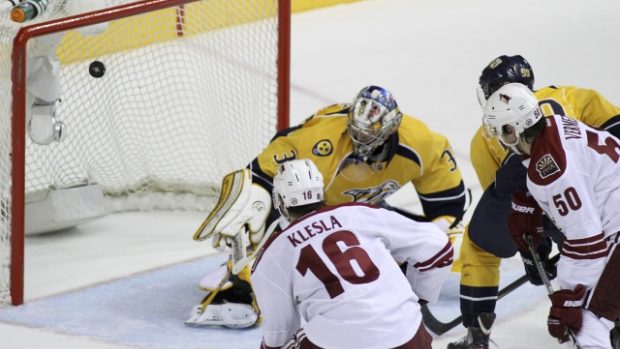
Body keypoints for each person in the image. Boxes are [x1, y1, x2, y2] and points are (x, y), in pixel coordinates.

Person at [186, 85, 468, 327]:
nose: (360, 142)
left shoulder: (423, 144)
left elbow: (449, 206)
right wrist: (254, 197)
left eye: (369, 136)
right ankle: (242, 280)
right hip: (312, 213)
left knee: (451, 241)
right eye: (355, 131)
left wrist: (430, 238)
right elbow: (263, 170)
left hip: (365, 213)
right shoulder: (321, 137)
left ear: (392, 128)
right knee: (256, 212)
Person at [450, 55, 620, 348]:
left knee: (480, 247)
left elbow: (502, 193)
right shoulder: (568, 99)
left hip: (569, 206)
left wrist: (561, 290)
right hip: (588, 198)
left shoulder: (495, 132)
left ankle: (477, 333)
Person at [252, 158, 454, 349]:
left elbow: (279, 332)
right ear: (320, 191)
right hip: (407, 336)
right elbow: (440, 248)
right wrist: (417, 297)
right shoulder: (360, 212)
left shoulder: (272, 253)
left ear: (280, 202)